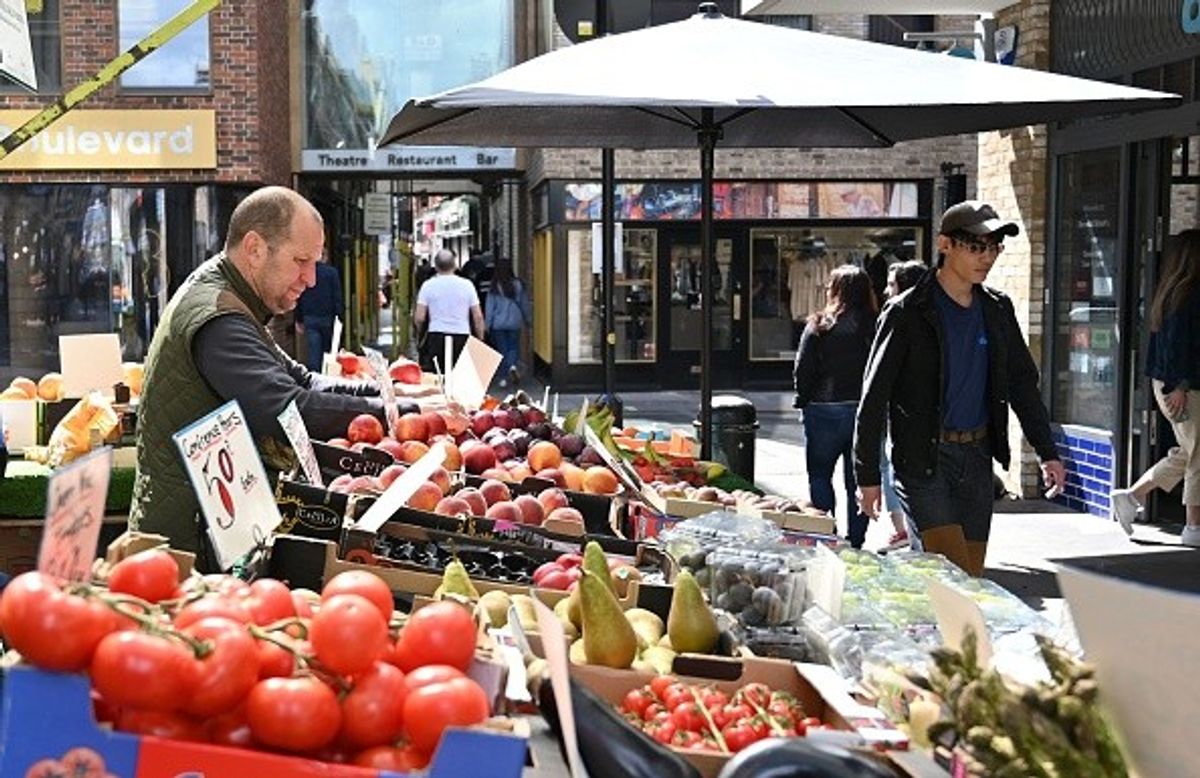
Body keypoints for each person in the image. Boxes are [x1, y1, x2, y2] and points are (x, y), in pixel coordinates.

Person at [130, 186, 392, 564]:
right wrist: (385, 416)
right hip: (186, 544)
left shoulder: (230, 297)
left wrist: (389, 402)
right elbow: (285, 407)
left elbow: (301, 379)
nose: (311, 278)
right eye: (301, 261)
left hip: (210, 529)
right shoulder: (218, 317)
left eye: (315, 262)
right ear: (254, 248)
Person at [854, 201, 1066, 576]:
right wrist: (867, 476)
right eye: (975, 246)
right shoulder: (907, 312)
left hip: (977, 459)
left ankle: (939, 634)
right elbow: (874, 396)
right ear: (944, 245)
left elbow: (1021, 384)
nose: (987, 257)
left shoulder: (997, 309)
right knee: (947, 569)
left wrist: (1046, 450)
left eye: (994, 247)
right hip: (924, 460)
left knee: (970, 574)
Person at [1111, 230, 1200, 547]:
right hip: (1182, 385)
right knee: (1197, 454)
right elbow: (1179, 346)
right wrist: (1180, 385)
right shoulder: (1188, 294)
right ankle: (1193, 527)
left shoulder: (1170, 292)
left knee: (1190, 451)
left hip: (1171, 383)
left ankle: (1132, 496)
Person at [793, 264, 878, 549]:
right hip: (864, 411)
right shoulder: (876, 326)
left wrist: (803, 399)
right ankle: (856, 541)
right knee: (859, 480)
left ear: (835, 290)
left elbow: (803, 368)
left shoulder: (820, 324)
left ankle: (825, 531)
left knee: (819, 474)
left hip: (823, 407)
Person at [879, 260, 928, 548]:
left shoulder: (899, 317)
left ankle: (909, 532)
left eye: (891, 283)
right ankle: (906, 531)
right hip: (902, 414)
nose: (886, 290)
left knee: (895, 470)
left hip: (911, 418)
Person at [414, 248, 485, 371]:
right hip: (462, 336)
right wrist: (480, 338)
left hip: (436, 335)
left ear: (435, 266)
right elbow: (477, 316)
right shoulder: (467, 285)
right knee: (461, 376)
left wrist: (420, 334)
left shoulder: (428, 286)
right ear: (455, 265)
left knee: (437, 376)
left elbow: (419, 317)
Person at [485, 257, 533, 388]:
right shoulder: (518, 285)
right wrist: (528, 320)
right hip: (515, 322)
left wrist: (487, 324)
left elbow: (490, 307)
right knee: (513, 347)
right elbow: (524, 304)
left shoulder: (494, 286)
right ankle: (512, 367)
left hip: (498, 324)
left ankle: (503, 378)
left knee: (502, 350)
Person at [294, 251, 343, 370]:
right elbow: (337, 296)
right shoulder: (331, 273)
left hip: (310, 317)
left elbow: (299, 296)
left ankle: (315, 377)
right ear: (325, 257)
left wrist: (299, 318)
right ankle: (327, 376)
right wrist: (339, 315)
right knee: (328, 350)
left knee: (313, 351)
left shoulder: (304, 273)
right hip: (327, 316)